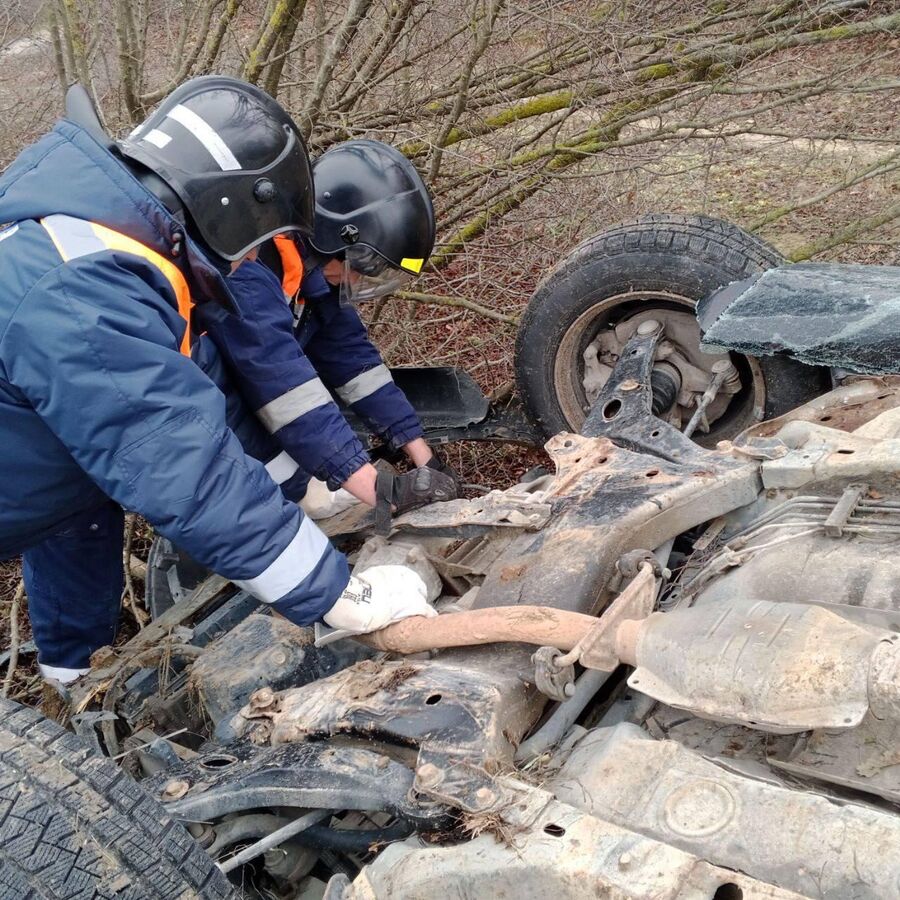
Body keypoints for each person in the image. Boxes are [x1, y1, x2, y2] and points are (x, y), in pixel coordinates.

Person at [0, 77, 433, 683]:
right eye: (252, 244)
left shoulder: (130, 260)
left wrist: (303, 487)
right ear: (226, 210)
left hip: (59, 487)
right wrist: (338, 594)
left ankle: (73, 685)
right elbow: (185, 468)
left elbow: (215, 410)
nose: (247, 262)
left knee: (80, 540)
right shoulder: (83, 292)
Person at [202, 139, 460, 531]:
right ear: (336, 237)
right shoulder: (249, 273)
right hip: (213, 429)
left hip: (251, 416)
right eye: (361, 265)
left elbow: (355, 362)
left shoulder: (314, 275)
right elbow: (287, 394)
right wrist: (380, 491)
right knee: (289, 496)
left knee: (316, 484)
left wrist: (421, 453)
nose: (359, 278)